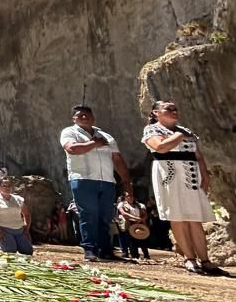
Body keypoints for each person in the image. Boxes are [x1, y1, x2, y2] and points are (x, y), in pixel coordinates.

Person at [142, 100, 223, 275]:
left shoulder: (184, 130)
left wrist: (205, 176)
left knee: (195, 218)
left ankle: (205, 259)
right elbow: (161, 147)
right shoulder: (152, 130)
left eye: (175, 108)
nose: (173, 111)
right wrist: (180, 135)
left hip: (191, 176)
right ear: (156, 112)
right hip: (170, 175)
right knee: (177, 217)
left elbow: (198, 155)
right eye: (168, 109)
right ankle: (189, 258)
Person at [61, 104, 135, 261]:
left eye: (88, 114)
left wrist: (126, 182)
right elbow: (72, 149)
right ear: (73, 118)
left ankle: (106, 249)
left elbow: (117, 159)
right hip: (83, 178)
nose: (84, 116)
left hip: (107, 180)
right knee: (88, 214)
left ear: (93, 117)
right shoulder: (69, 132)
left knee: (105, 216)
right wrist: (94, 143)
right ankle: (90, 249)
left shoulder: (106, 136)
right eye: (80, 115)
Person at [0, 177, 33, 254]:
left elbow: (27, 215)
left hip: (19, 230)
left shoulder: (18, 199)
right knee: (10, 251)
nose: (7, 188)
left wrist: (26, 229)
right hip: (3, 230)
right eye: (4, 186)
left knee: (27, 252)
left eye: (9, 186)